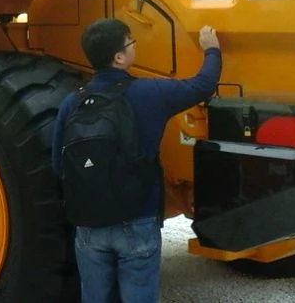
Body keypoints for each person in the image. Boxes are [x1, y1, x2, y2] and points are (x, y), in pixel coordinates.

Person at [51, 19, 222, 303]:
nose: (134, 46)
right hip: (137, 219)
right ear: (119, 57)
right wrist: (212, 50)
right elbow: (202, 86)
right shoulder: (149, 93)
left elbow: (59, 165)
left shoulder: (73, 102)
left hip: (89, 225)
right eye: (131, 42)